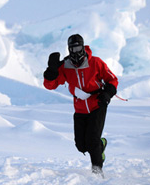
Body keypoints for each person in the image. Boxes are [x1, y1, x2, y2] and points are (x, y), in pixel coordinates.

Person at [43, 34, 118, 174]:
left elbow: (112, 79)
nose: (75, 52)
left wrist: (107, 94)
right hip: (80, 109)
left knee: (92, 140)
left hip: (97, 104)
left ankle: (97, 172)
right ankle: (102, 144)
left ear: (83, 47)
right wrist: (51, 72)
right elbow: (50, 85)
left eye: (78, 48)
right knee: (81, 146)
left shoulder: (96, 62)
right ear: (69, 49)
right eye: (72, 49)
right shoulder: (64, 66)